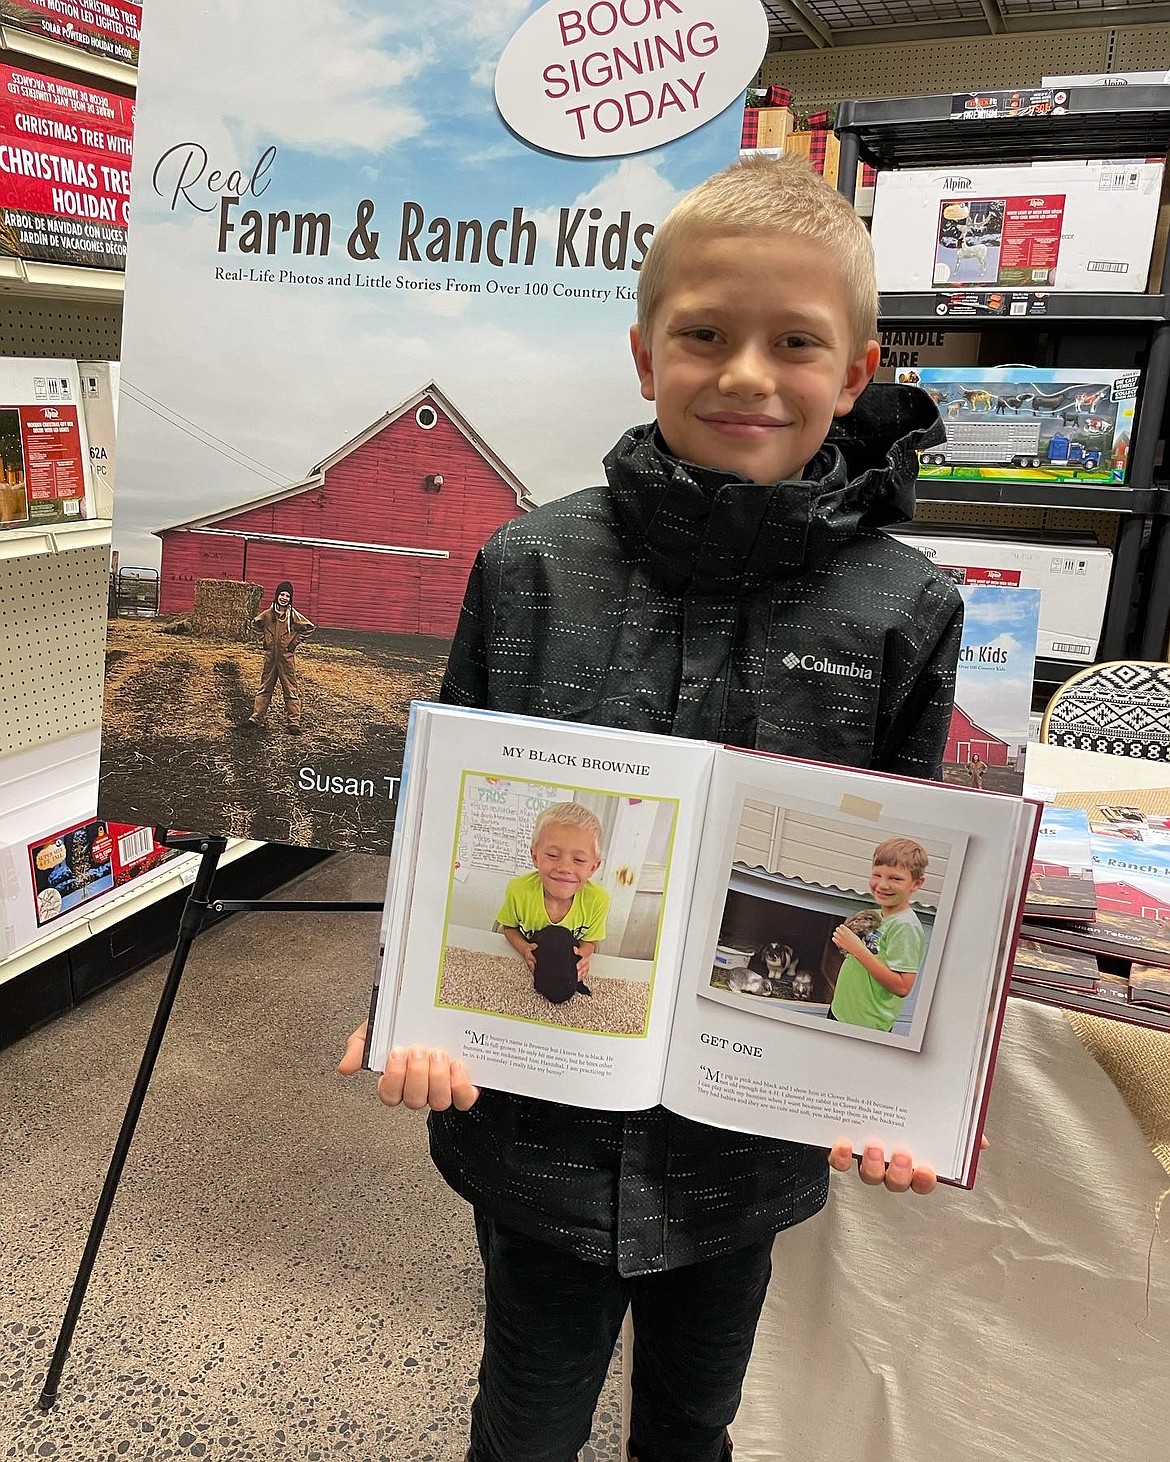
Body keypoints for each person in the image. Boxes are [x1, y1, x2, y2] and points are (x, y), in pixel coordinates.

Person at [340, 153, 964, 1462]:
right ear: (642, 353)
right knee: (525, 1414)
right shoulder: (527, 568)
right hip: (536, 1127)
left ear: (852, 372)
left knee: (692, 1420)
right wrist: (414, 1004)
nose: (745, 373)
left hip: (743, 1144)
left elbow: (906, 867)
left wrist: (890, 1085)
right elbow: (447, 821)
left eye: (793, 342)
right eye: (703, 335)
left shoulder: (898, 609)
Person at [497, 802, 609, 1003]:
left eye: (579, 860)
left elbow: (591, 941)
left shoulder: (598, 900)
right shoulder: (518, 890)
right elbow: (509, 928)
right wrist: (523, 948)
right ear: (535, 856)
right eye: (552, 855)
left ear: (593, 867)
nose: (565, 867)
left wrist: (583, 956)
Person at [829, 836, 929, 1032]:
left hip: (866, 1026)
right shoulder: (875, 915)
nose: (882, 885)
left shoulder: (905, 926)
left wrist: (857, 948)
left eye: (895, 878)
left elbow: (902, 987)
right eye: (877, 875)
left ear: (916, 883)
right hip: (841, 1012)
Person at [245, 579, 315, 734]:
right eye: (281, 594)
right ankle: (256, 718)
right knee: (265, 688)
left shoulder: (293, 615)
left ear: (291, 599)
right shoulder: (268, 614)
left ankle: (293, 722)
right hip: (270, 658)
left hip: (286, 659)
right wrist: (265, 639)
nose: (284, 598)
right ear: (276, 596)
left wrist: (294, 642)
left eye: (287, 596)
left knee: (290, 689)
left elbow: (309, 628)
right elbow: (255, 624)